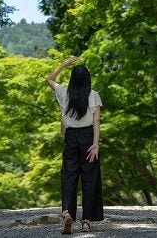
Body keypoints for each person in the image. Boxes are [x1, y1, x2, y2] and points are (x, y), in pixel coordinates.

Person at [46, 56, 104, 234]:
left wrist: (64, 63)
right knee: (90, 178)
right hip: (87, 137)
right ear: (88, 80)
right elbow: (96, 120)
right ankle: (86, 221)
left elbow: (49, 79)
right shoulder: (93, 95)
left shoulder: (64, 93)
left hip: (71, 137)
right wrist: (95, 143)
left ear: (72, 79)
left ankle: (66, 213)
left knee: (69, 176)